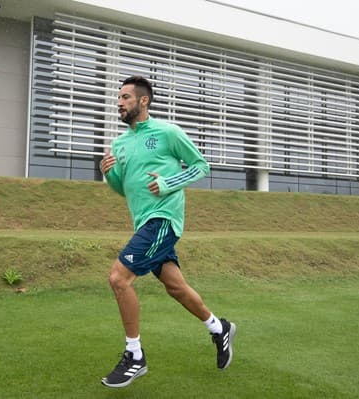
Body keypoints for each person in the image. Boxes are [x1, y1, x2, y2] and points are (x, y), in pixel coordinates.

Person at [99, 76, 236, 388]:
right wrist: (110, 175)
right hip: (144, 221)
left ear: (143, 101)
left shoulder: (167, 132)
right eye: (118, 98)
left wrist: (167, 184)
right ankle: (219, 328)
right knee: (176, 288)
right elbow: (125, 190)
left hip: (163, 220)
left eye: (125, 97)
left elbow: (201, 166)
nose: (119, 103)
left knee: (119, 278)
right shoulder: (120, 144)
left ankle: (134, 355)